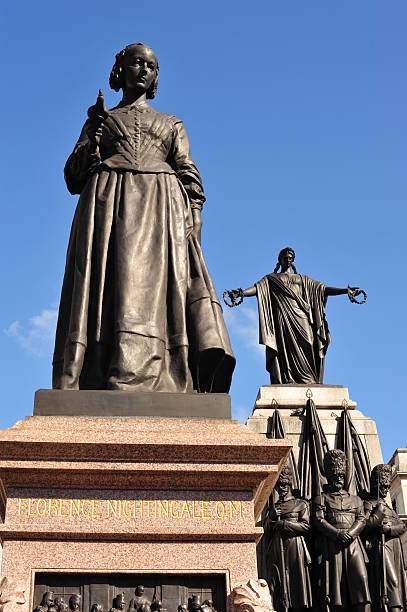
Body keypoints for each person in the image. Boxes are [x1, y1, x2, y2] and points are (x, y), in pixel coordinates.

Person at [52, 42, 234, 393]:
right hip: (106, 209)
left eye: (152, 66)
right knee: (109, 288)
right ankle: (101, 367)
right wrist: (93, 133)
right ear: (121, 70)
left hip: (160, 212)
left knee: (154, 293)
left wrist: (194, 214)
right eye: (137, 63)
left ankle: (161, 370)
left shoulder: (170, 124)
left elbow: (189, 173)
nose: (145, 70)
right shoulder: (100, 120)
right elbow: (73, 176)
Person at [226, 247, 364, 384]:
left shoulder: (302, 279)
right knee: (285, 349)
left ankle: (309, 379)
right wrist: (241, 293)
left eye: (290, 258)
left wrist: (345, 291)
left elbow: (323, 289)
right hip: (283, 316)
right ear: (279, 260)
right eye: (285, 258)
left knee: (309, 342)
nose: (288, 260)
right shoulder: (271, 279)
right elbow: (258, 289)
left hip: (301, 315)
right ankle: (288, 378)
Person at [314, 450, 371, 612]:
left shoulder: (356, 500)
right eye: (335, 476)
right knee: (335, 588)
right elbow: (319, 520)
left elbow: (361, 519)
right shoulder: (322, 498)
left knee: (361, 579)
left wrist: (351, 534)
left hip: (353, 544)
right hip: (332, 545)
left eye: (341, 476)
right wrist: (337, 534)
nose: (339, 479)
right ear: (329, 477)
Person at [266, 465, 312, 612]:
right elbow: (265, 532)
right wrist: (271, 518)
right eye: (279, 485)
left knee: (297, 584)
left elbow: (305, 526)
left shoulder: (300, 504)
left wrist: (285, 524)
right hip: (277, 549)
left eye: (285, 484)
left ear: (290, 484)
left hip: (295, 547)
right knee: (279, 584)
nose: (282, 488)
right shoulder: (274, 507)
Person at [363, 464, 407, 612]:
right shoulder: (369, 504)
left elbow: (402, 527)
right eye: (383, 486)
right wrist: (377, 516)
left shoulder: (389, 508)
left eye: (387, 486)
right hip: (382, 548)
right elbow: (364, 526)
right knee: (391, 582)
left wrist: (389, 529)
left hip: (395, 547)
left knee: (399, 584)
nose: (386, 489)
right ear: (376, 485)